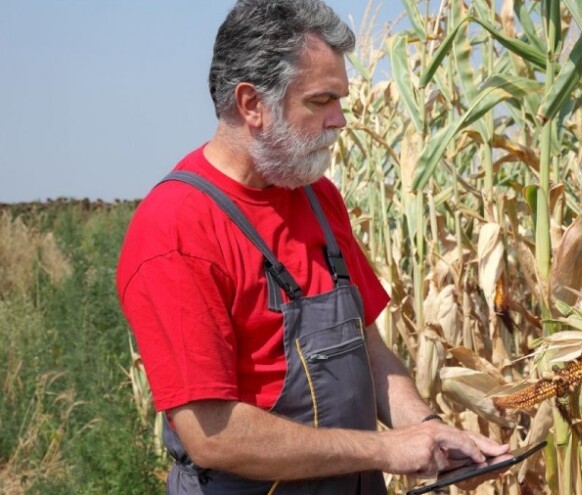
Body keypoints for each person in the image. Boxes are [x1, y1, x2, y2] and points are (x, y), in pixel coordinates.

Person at [116, 1, 508, 493]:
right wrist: (386, 449)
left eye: (339, 101)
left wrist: (427, 429)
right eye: (321, 101)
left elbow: (368, 347)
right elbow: (212, 434)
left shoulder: (318, 198)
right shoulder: (177, 230)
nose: (340, 120)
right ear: (251, 104)